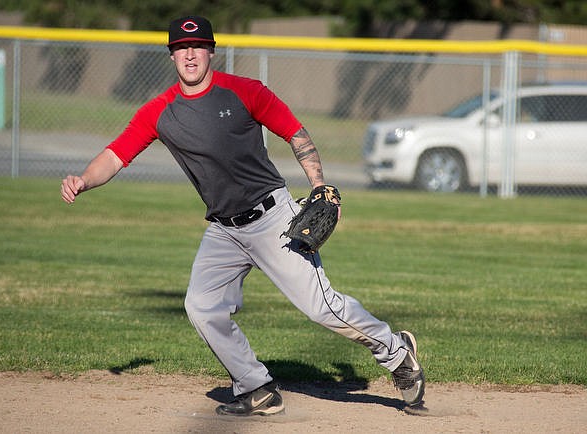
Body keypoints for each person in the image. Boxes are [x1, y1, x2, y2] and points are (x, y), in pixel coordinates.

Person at [61, 15, 425, 416]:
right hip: (223, 229)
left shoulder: (244, 92)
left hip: (274, 220)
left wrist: (319, 185)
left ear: (212, 51)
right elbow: (116, 155)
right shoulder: (159, 111)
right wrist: (83, 180)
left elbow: (296, 134)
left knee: (322, 308)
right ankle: (257, 388)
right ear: (171, 56)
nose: (190, 54)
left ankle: (396, 353)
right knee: (201, 305)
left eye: (197, 46)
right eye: (182, 48)